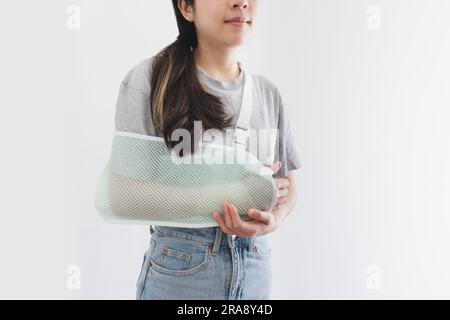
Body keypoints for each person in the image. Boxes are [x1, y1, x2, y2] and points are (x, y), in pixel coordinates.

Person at [114, 0, 302, 299]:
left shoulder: (267, 93)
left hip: (256, 268)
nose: (241, 3)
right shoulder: (152, 81)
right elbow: (123, 195)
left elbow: (288, 184)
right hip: (183, 270)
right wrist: (227, 195)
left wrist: (274, 220)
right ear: (187, 8)